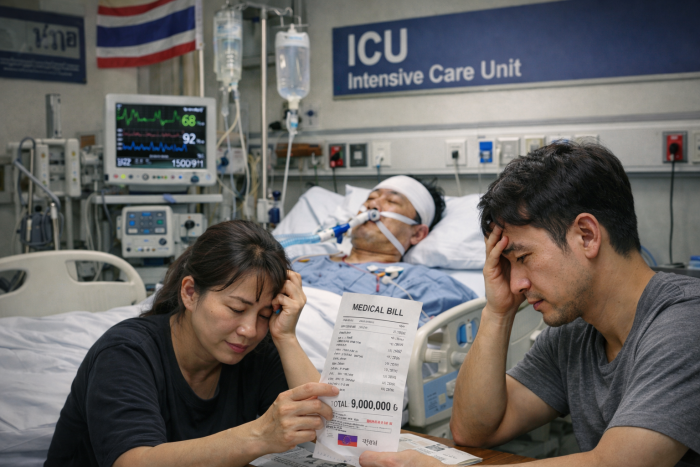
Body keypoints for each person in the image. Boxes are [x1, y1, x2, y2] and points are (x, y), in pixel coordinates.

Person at [359, 142, 700, 467]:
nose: (516, 284)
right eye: (509, 265)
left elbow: (621, 463)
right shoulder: (576, 332)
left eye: (523, 257)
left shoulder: (686, 323)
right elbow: (473, 431)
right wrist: (497, 312)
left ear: (587, 235)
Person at [45, 220, 338, 467]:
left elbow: (330, 433)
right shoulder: (126, 353)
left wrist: (286, 337)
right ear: (190, 293)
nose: (249, 330)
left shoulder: (256, 352)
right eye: (236, 309)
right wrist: (260, 435)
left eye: (264, 314)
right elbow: (133, 461)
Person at [294, 175, 477, 321]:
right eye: (371, 198)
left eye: (392, 201)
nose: (372, 205)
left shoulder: (422, 284)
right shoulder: (303, 262)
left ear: (417, 234)